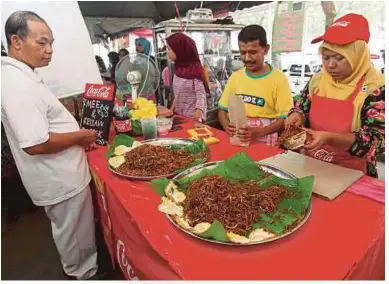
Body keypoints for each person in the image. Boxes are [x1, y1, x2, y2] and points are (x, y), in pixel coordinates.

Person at [1, 11, 108, 280]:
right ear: (16, 41)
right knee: (73, 235)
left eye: (52, 43)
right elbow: (35, 144)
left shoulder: (25, 75)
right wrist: (79, 137)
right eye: (42, 42)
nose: (49, 51)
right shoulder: (16, 83)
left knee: (76, 231)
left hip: (64, 174)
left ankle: (83, 267)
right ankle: (83, 274)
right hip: (59, 178)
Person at [285, 14, 385, 177]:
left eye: (340, 58)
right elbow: (301, 107)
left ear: (357, 55)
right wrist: (297, 115)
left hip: (353, 172)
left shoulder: (376, 89)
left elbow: (378, 141)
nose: (331, 65)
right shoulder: (317, 80)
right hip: (313, 164)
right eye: (326, 57)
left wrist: (332, 139)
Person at [218, 25, 293, 146]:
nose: (247, 58)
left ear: (265, 49)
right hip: (238, 139)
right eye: (243, 52)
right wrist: (227, 125)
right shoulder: (235, 77)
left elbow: (285, 118)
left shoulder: (279, 79)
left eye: (253, 52)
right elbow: (222, 110)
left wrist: (261, 131)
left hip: (266, 142)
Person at [166, 32, 209, 124]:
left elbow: (201, 95)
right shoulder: (178, 69)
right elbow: (177, 95)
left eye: (170, 49)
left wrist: (197, 117)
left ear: (180, 51)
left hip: (192, 119)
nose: (167, 52)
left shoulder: (195, 71)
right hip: (179, 116)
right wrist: (171, 110)